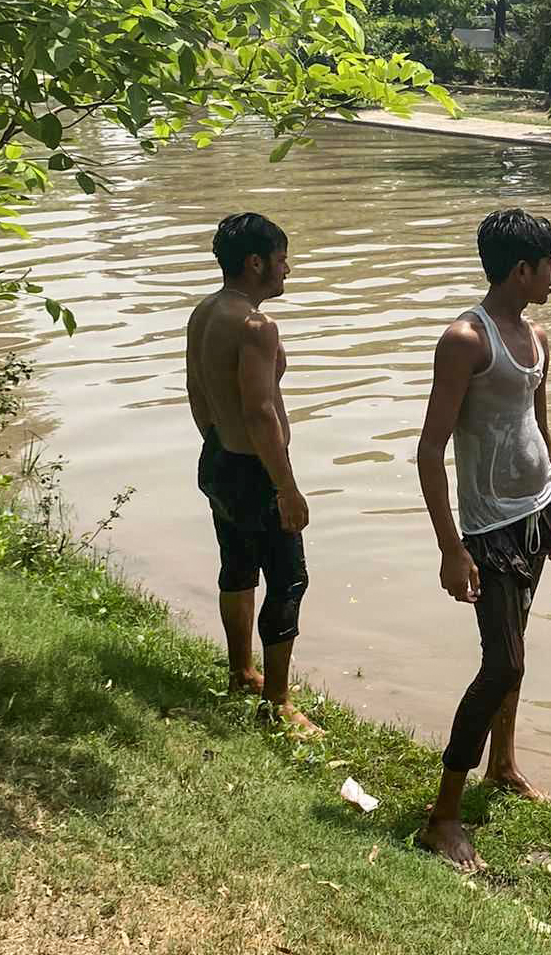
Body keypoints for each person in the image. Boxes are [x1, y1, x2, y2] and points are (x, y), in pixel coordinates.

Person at [415, 208, 551, 869]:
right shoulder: (465, 341)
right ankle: (441, 817)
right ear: (521, 270)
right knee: (502, 661)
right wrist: (452, 549)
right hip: (485, 524)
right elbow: (429, 452)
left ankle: (501, 765)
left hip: (533, 513)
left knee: (517, 647)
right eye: (550, 265)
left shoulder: (535, 336)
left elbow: (538, 429)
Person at [185, 212, 321, 738]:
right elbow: (262, 410)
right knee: (289, 579)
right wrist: (286, 486)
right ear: (257, 262)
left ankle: (241, 671)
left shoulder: (204, 313)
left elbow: (197, 389)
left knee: (237, 566)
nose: (288, 270)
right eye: (283, 259)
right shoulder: (256, 326)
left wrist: (218, 443)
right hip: (257, 471)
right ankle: (277, 702)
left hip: (219, 460)